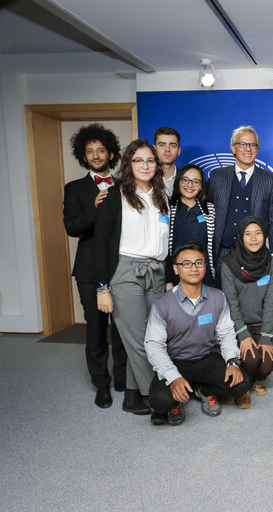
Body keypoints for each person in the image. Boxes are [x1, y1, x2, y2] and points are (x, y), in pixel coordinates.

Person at [94, 139, 170, 415]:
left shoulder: (162, 197)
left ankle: (132, 394)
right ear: (129, 164)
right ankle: (157, 395)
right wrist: (102, 288)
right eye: (138, 160)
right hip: (126, 271)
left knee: (154, 337)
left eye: (150, 160)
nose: (145, 165)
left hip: (156, 271)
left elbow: (166, 242)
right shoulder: (114, 196)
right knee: (138, 339)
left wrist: (169, 276)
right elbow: (100, 244)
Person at [144, 241, 250, 426]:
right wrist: (173, 377)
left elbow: (226, 334)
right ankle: (177, 398)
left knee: (242, 383)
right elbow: (153, 345)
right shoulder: (162, 304)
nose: (193, 268)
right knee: (160, 402)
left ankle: (205, 391)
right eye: (186, 263)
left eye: (198, 263)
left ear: (205, 267)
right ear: (176, 269)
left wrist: (232, 362)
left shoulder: (218, 297)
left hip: (206, 358)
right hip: (176, 361)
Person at [63, 123, 127, 408]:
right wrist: (95, 209)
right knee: (96, 328)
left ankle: (123, 378)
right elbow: (72, 227)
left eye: (101, 150)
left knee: (124, 327)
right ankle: (101, 383)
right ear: (83, 156)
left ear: (111, 154)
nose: (96, 155)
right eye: (90, 151)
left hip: (122, 267)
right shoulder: (75, 189)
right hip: (89, 270)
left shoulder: (125, 185)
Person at [220, 217, 273, 409]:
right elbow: (231, 304)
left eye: (258, 233)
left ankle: (253, 379)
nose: (254, 238)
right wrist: (243, 334)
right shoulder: (229, 263)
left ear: (264, 235)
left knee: (266, 366)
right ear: (240, 237)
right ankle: (243, 386)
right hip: (238, 325)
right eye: (248, 234)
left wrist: (266, 336)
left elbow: (271, 303)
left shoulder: (271, 263)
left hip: (261, 325)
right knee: (251, 361)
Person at [207, 126, 273, 277]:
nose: (248, 148)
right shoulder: (217, 176)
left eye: (252, 145)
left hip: (254, 255)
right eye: (243, 144)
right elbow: (207, 213)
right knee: (221, 299)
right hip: (222, 253)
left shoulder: (269, 180)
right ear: (233, 148)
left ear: (257, 150)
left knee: (251, 300)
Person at [166, 164, 216, 288]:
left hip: (204, 274)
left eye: (196, 182)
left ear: (201, 186)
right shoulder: (167, 207)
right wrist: (168, 280)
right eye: (185, 180)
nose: (190, 185)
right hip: (176, 275)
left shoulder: (209, 210)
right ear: (178, 182)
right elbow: (164, 246)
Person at [154, 127, 181, 197]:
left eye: (173, 145)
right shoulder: (145, 180)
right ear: (154, 149)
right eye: (162, 145)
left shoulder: (187, 181)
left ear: (179, 151)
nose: (167, 149)